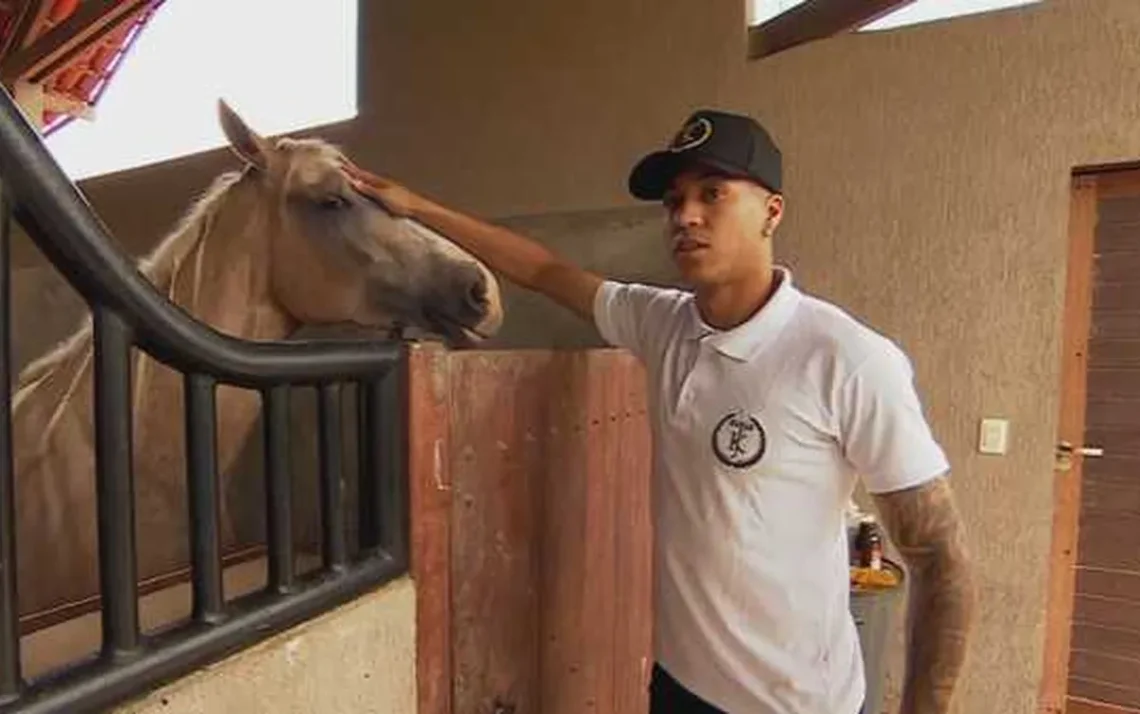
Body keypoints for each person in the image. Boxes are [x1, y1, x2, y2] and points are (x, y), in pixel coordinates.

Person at [345, 109, 976, 714]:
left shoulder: (846, 358)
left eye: (712, 192)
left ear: (772, 212)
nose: (686, 216)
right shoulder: (662, 323)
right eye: (675, 201)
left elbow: (939, 556)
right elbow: (543, 269)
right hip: (679, 687)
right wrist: (418, 208)